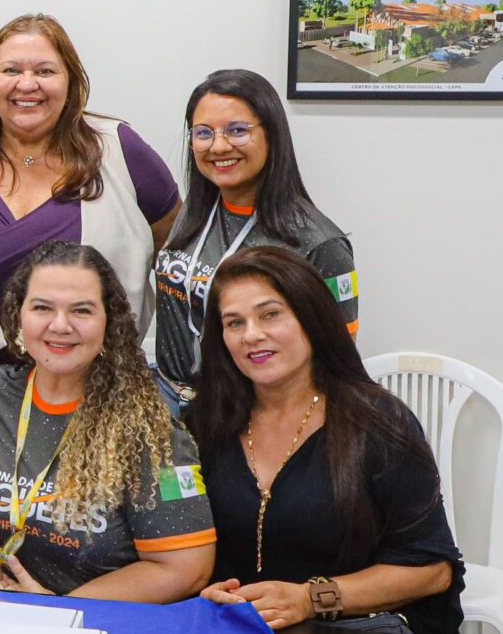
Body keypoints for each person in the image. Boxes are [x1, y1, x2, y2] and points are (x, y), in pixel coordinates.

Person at [189, 248, 461, 634]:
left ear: (311, 318)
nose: (251, 335)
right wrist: (206, 591)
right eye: (234, 323)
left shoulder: (379, 422)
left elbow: (432, 570)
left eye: (270, 314)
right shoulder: (204, 423)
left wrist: (309, 599)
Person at [0, 15, 178, 396]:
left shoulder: (120, 150)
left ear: (70, 83)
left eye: (45, 70)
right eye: (11, 70)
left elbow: (176, 252)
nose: (27, 83)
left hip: (103, 392)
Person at [0, 242, 214, 600]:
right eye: (42, 307)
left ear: (109, 323)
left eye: (82, 311)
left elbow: (188, 567)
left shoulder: (149, 426)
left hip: (96, 632)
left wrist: (61, 612)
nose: (60, 325)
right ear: (18, 315)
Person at [153, 70, 359, 399]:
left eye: (237, 130)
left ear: (272, 135)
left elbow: (336, 361)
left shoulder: (319, 243)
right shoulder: (195, 212)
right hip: (166, 403)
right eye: (203, 133)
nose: (218, 146)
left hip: (245, 413)